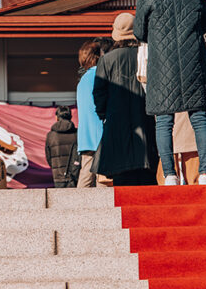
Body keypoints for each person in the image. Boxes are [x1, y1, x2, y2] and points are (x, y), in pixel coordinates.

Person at [132, 0, 206, 186]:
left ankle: (169, 175)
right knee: (199, 118)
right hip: (193, 61)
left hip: (162, 65)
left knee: (164, 121)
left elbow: (139, 31)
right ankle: (205, 173)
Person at [92, 13, 156, 186]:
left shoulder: (107, 60)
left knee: (122, 179)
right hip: (145, 118)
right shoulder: (146, 56)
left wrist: (103, 114)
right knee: (146, 178)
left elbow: (99, 93)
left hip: (116, 121)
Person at [75, 40, 105, 187]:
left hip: (86, 136)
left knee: (86, 175)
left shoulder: (83, 79)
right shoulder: (99, 75)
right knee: (103, 179)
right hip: (100, 133)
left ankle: (78, 201)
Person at [44, 106, 80, 188]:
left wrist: (55, 167)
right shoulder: (77, 133)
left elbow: (48, 157)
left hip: (58, 176)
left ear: (57, 117)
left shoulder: (50, 135)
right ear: (70, 117)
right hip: (75, 175)